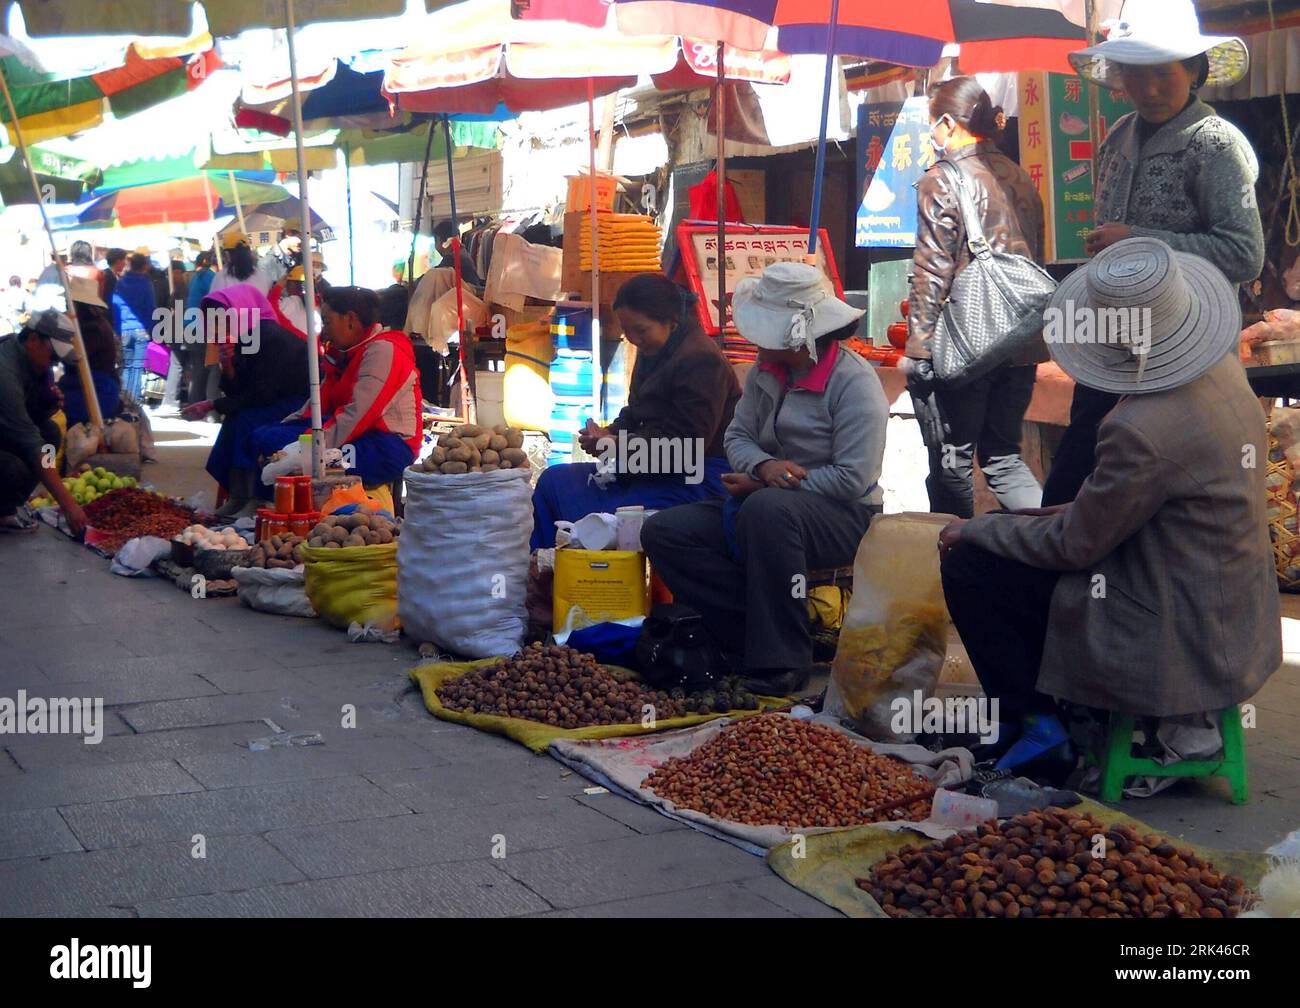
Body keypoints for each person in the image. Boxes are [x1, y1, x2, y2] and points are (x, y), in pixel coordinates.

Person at [939, 238, 1280, 775]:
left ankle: (1040, 726)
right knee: (1006, 537)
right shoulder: (1222, 373)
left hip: (1175, 625)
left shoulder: (1141, 428)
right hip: (1230, 607)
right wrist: (1035, 518)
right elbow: (1120, 509)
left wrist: (980, 531)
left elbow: (1077, 545)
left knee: (971, 566)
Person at [1042, 0, 1263, 505]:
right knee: (1077, 483)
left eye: (1163, 74)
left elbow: (1244, 253)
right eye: (1135, 75)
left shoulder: (1216, 145)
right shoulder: (1118, 136)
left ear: (1194, 70)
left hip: (1187, 355)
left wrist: (1139, 239)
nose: (1149, 89)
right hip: (1112, 346)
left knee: (1157, 496)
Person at [641, 263, 888, 695]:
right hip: (766, 503)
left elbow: (853, 479)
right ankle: (748, 633)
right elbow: (738, 435)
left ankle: (784, 659)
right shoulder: (765, 372)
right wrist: (762, 468)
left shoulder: (854, 383)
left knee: (767, 510)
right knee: (665, 531)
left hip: (845, 515)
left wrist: (771, 484)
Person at [904, 76, 1047, 518]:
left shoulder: (942, 179)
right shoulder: (1019, 176)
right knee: (1004, 457)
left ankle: (953, 570)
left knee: (952, 460)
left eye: (932, 125)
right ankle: (1048, 547)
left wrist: (919, 349)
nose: (932, 135)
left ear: (948, 123)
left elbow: (932, 269)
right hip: (1022, 339)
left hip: (968, 342)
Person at [531, 274, 740, 548]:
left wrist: (618, 445)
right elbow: (635, 412)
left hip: (696, 476)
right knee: (553, 482)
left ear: (671, 321)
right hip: (647, 466)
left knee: (616, 518)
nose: (633, 339)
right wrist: (607, 433)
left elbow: (687, 448)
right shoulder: (653, 348)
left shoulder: (701, 361)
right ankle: (549, 569)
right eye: (627, 331)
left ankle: (614, 584)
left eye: (641, 330)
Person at [252, 286, 420, 489]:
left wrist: (305, 449)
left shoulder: (383, 351)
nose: (324, 331)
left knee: (284, 451)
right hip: (357, 433)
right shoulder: (347, 351)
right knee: (266, 436)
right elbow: (318, 402)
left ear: (350, 320)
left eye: (327, 322)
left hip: (386, 447)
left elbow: (357, 415)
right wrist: (285, 428)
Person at [182, 284, 310, 517]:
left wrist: (211, 404)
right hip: (270, 400)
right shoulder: (244, 336)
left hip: (298, 404)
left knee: (246, 422)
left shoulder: (269, 335)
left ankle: (255, 496)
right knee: (236, 419)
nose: (219, 325)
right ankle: (239, 495)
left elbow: (260, 394)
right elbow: (240, 388)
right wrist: (228, 365)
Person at [0, 310, 88, 535]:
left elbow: (32, 423)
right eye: (53, 356)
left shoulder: (31, 363)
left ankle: (10, 505)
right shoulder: (6, 373)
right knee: (13, 468)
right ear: (33, 340)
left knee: (50, 434)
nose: (53, 364)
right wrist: (69, 505)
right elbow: (31, 444)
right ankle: (3, 511)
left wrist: (47, 405)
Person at [58, 277, 121, 426]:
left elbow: (76, 360)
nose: (67, 306)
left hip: (97, 390)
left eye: (69, 303)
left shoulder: (92, 328)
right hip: (91, 385)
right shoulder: (93, 324)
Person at [110, 253, 156, 402]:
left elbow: (115, 305)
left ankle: (124, 400)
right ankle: (134, 402)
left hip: (123, 329)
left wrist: (117, 329)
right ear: (144, 266)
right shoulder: (146, 283)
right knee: (136, 367)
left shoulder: (121, 282)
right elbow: (150, 308)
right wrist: (153, 329)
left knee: (126, 366)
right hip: (140, 330)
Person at [433, 219, 482, 287]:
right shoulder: (462, 253)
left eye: (436, 242)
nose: (436, 247)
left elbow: (434, 275)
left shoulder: (452, 259)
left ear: (441, 241)